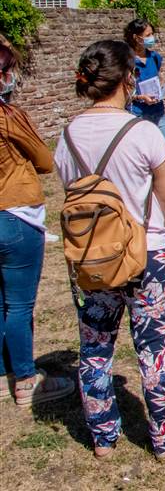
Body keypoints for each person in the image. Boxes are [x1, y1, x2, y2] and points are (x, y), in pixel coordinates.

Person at [54, 40, 165, 460]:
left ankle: (103, 436)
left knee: (95, 346)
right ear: (127, 79)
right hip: (145, 255)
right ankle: (164, 437)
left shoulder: (66, 136)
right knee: (153, 349)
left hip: (92, 257)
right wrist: (157, 231)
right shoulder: (143, 132)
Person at [0, 36, 76, 406]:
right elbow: (45, 161)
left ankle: (4, 374)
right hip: (13, 212)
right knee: (19, 304)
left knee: (2, 302)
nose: (11, 76)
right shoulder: (7, 116)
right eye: (6, 70)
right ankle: (26, 378)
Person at [124, 18, 165, 148]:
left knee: (164, 146)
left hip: (158, 111)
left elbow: (158, 77)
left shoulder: (155, 57)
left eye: (152, 34)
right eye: (148, 35)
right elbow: (123, 91)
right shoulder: (126, 60)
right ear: (136, 37)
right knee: (142, 149)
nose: (152, 38)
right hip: (138, 113)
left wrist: (162, 89)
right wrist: (140, 97)